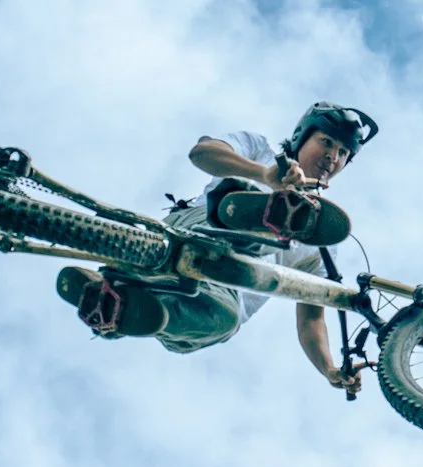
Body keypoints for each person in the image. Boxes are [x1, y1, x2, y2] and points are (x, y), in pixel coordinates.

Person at [55, 104, 378, 392]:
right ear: (302, 138)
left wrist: (329, 369)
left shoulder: (320, 241)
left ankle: (117, 303)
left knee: (224, 321)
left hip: (215, 296)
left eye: (343, 154)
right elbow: (202, 152)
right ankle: (260, 212)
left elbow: (310, 319)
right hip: (196, 233)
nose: (332, 157)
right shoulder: (259, 150)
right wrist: (264, 174)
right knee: (252, 198)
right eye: (327, 142)